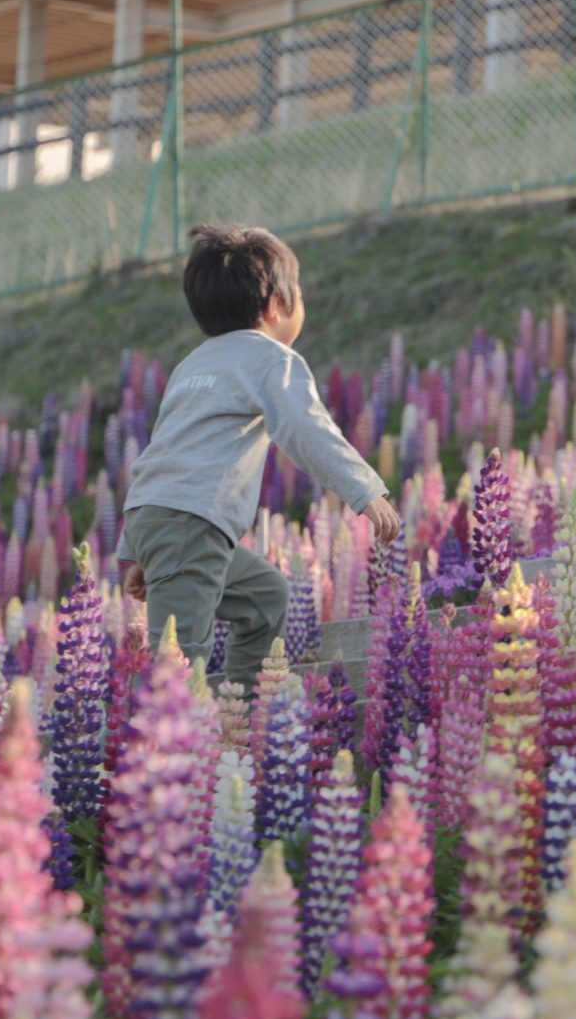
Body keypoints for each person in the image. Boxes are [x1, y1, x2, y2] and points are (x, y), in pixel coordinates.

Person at [120, 223, 399, 686]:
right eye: (301, 295)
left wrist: (140, 551)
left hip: (163, 518)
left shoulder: (193, 364)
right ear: (277, 307)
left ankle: (243, 712)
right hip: (192, 525)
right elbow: (305, 427)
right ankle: (160, 746)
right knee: (177, 662)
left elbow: (163, 453)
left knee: (265, 596)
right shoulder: (272, 360)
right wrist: (364, 490)